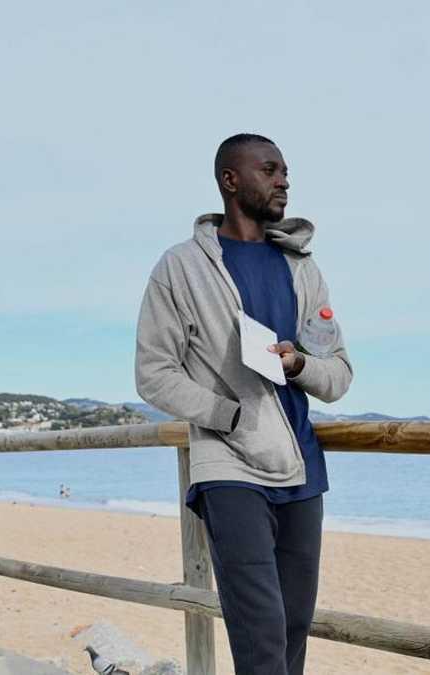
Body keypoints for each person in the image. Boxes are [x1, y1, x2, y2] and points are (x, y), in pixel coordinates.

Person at [135, 134, 352, 675]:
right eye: (270, 169)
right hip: (230, 468)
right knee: (260, 639)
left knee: (292, 633)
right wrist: (226, 416)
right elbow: (153, 373)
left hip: (302, 468)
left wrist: (300, 365)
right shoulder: (181, 267)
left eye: (286, 172)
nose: (284, 181)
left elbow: (340, 375)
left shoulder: (303, 269)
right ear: (230, 180)